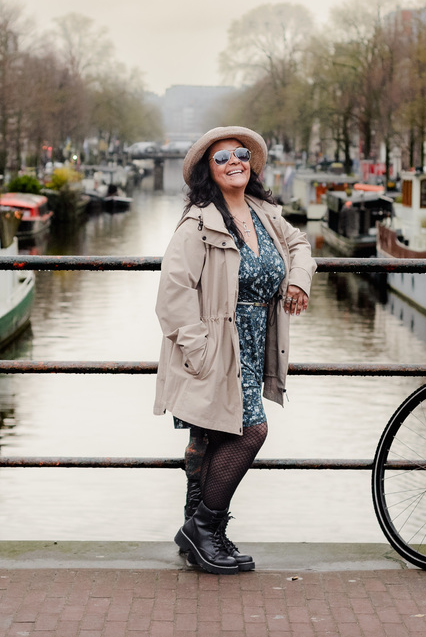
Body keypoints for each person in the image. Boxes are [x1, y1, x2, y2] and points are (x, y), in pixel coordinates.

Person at [154, 126, 315, 574]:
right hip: (216, 348)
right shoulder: (198, 221)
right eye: (221, 157)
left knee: (224, 436)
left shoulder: (265, 213)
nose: (233, 162)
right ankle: (202, 529)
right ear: (208, 170)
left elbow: (299, 244)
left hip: (254, 340)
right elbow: (173, 293)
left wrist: (299, 277)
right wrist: (198, 351)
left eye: (240, 154)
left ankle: (206, 536)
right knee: (251, 432)